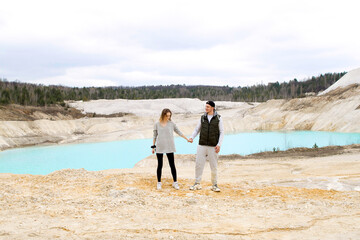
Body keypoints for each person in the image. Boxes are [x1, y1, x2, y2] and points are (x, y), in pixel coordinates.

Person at [188, 101, 224, 192]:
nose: (206, 108)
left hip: (213, 146)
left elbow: (222, 132)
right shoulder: (202, 117)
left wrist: (219, 144)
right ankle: (197, 183)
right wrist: (192, 137)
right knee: (198, 165)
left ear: (213, 108)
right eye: (206, 106)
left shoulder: (219, 118)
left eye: (208, 107)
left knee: (214, 166)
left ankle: (214, 185)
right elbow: (197, 129)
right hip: (202, 145)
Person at [152, 108, 190, 190]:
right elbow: (154, 135)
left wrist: (187, 139)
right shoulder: (157, 124)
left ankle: (175, 182)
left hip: (169, 146)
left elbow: (179, 132)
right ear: (163, 115)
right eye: (167, 116)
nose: (168, 117)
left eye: (169, 116)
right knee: (160, 165)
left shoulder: (171, 123)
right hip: (160, 146)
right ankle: (159, 182)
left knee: (172, 165)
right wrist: (153, 146)